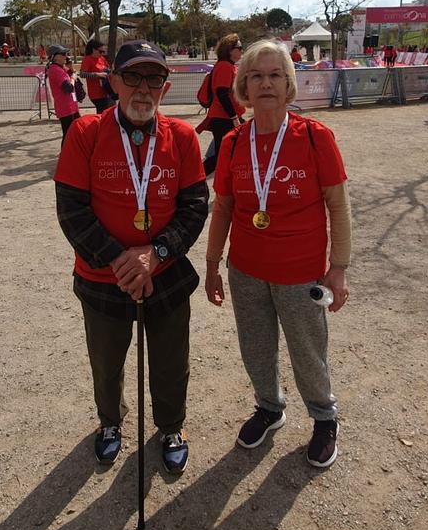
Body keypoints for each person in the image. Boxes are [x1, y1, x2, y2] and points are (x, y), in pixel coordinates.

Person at [53, 40, 208, 474]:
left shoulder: (181, 138)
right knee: (106, 362)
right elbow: (72, 210)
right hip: (103, 278)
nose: (143, 89)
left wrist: (155, 255)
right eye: (133, 77)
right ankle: (109, 424)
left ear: (165, 85)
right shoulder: (85, 133)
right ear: (114, 81)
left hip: (167, 275)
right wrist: (124, 262)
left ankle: (171, 426)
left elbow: (195, 207)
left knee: (170, 362)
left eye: (153, 78)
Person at [203, 40, 351, 468]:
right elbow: (224, 208)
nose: (265, 83)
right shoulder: (233, 143)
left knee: (307, 350)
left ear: (288, 85)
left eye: (274, 75)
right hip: (245, 269)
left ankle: (324, 417)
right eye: (255, 75)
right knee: (256, 346)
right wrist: (213, 265)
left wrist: (337, 269)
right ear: (243, 86)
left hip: (299, 272)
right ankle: (269, 407)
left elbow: (337, 205)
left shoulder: (314, 137)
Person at [201, 33, 245, 176]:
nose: (241, 51)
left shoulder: (228, 66)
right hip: (224, 118)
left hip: (225, 117)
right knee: (221, 155)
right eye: (239, 47)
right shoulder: (225, 66)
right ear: (230, 50)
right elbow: (222, 93)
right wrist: (234, 117)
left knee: (223, 153)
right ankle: (195, 178)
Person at [45, 44, 81, 140]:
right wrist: (73, 78)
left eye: (66, 53)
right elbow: (68, 87)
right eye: (63, 54)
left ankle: (74, 153)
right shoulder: (55, 70)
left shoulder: (61, 68)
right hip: (65, 108)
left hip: (71, 106)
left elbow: (73, 73)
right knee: (68, 134)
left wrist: (71, 68)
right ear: (55, 57)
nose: (66, 56)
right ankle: (65, 154)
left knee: (77, 131)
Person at [79, 38, 115, 113]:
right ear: (93, 50)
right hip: (96, 94)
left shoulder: (101, 58)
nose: (102, 54)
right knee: (102, 113)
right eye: (100, 51)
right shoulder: (87, 59)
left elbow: (108, 69)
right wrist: (97, 75)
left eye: (103, 52)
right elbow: (82, 74)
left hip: (106, 91)